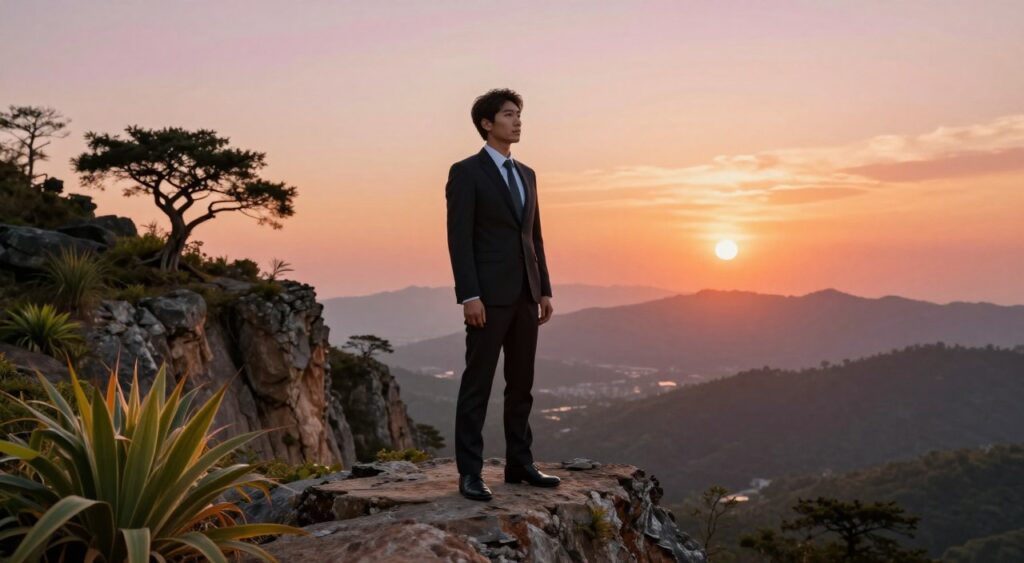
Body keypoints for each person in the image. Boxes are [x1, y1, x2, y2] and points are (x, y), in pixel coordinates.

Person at [445, 88, 561, 501]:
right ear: (486, 123)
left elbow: (535, 237)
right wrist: (469, 295)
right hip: (487, 298)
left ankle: (520, 463)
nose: (517, 121)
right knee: (477, 384)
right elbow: (459, 240)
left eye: (519, 115)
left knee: (522, 384)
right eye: (509, 115)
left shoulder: (527, 174)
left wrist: (543, 288)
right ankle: (470, 473)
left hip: (527, 295)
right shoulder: (466, 172)